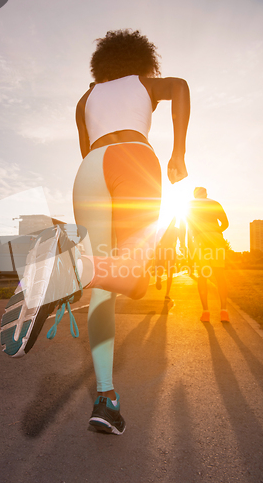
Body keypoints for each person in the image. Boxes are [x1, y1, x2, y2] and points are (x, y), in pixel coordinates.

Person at [73, 29, 190, 434]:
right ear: (143, 59)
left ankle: (106, 398)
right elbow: (180, 87)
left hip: (89, 170)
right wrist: (179, 150)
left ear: (101, 65)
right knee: (135, 278)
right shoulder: (143, 83)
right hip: (133, 159)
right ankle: (72, 269)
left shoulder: (85, 99)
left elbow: (87, 150)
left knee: (104, 286)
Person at [187, 187, 229, 323]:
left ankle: (206, 312)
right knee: (220, 274)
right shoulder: (215, 203)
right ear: (206, 194)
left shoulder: (191, 205)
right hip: (215, 237)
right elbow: (226, 224)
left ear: (194, 195)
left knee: (203, 275)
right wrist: (216, 230)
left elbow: (190, 228)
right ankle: (224, 312)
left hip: (200, 238)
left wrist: (190, 246)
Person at [155, 217, 186, 306]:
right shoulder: (177, 230)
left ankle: (158, 278)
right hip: (171, 251)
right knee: (170, 273)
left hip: (162, 250)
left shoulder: (162, 229)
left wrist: (157, 250)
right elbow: (182, 242)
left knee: (161, 267)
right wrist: (183, 249)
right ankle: (167, 294)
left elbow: (157, 240)